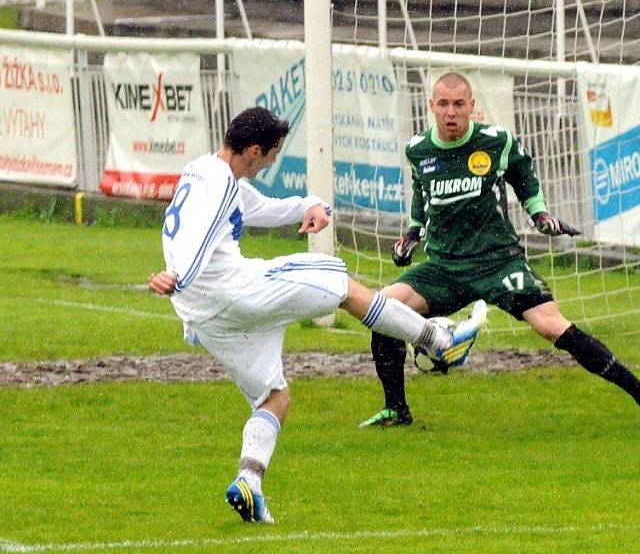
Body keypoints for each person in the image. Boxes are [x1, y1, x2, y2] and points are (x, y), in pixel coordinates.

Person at [147, 106, 487, 524]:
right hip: (232, 291)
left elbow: (261, 210)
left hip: (206, 316)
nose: (273, 161)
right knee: (342, 285)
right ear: (253, 150)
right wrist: (178, 275)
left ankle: (249, 483)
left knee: (273, 397)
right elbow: (194, 238)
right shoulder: (218, 186)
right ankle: (440, 342)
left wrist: (311, 203)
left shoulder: (207, 172)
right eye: (271, 154)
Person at [359, 72, 640, 432]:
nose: (451, 112)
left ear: (471, 107)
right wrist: (412, 234)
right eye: (444, 104)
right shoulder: (418, 149)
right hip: (445, 268)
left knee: (552, 326)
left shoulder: (496, 141)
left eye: (459, 105)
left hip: (499, 262)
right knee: (382, 310)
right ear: (431, 106)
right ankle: (396, 409)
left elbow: (523, 176)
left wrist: (540, 214)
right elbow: (422, 194)